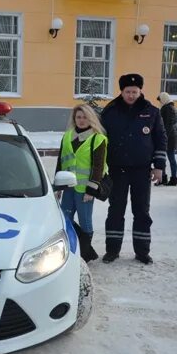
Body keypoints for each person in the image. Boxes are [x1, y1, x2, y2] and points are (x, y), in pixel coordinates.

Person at [101, 74, 167, 265]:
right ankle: (112, 251)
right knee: (115, 211)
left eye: (134, 92)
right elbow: (100, 140)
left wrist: (159, 167)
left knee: (142, 212)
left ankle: (142, 251)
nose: (131, 95)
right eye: (127, 92)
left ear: (140, 91)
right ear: (121, 92)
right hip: (116, 169)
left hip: (142, 170)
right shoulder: (110, 111)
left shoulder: (151, 112)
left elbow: (161, 140)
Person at [55, 104, 108, 262]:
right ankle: (76, 251)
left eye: (85, 117)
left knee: (85, 222)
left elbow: (98, 167)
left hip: (85, 189)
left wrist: (91, 191)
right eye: (78, 117)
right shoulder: (67, 136)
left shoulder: (98, 139)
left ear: (91, 118)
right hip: (68, 187)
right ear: (74, 119)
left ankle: (85, 255)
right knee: (66, 219)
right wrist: (58, 186)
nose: (82, 120)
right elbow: (61, 161)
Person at [157, 92, 177, 186]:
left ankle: (171, 179)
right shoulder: (169, 107)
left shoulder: (168, 108)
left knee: (170, 159)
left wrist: (164, 137)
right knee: (167, 158)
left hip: (169, 138)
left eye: (160, 100)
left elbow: (167, 125)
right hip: (171, 137)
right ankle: (165, 178)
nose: (159, 102)